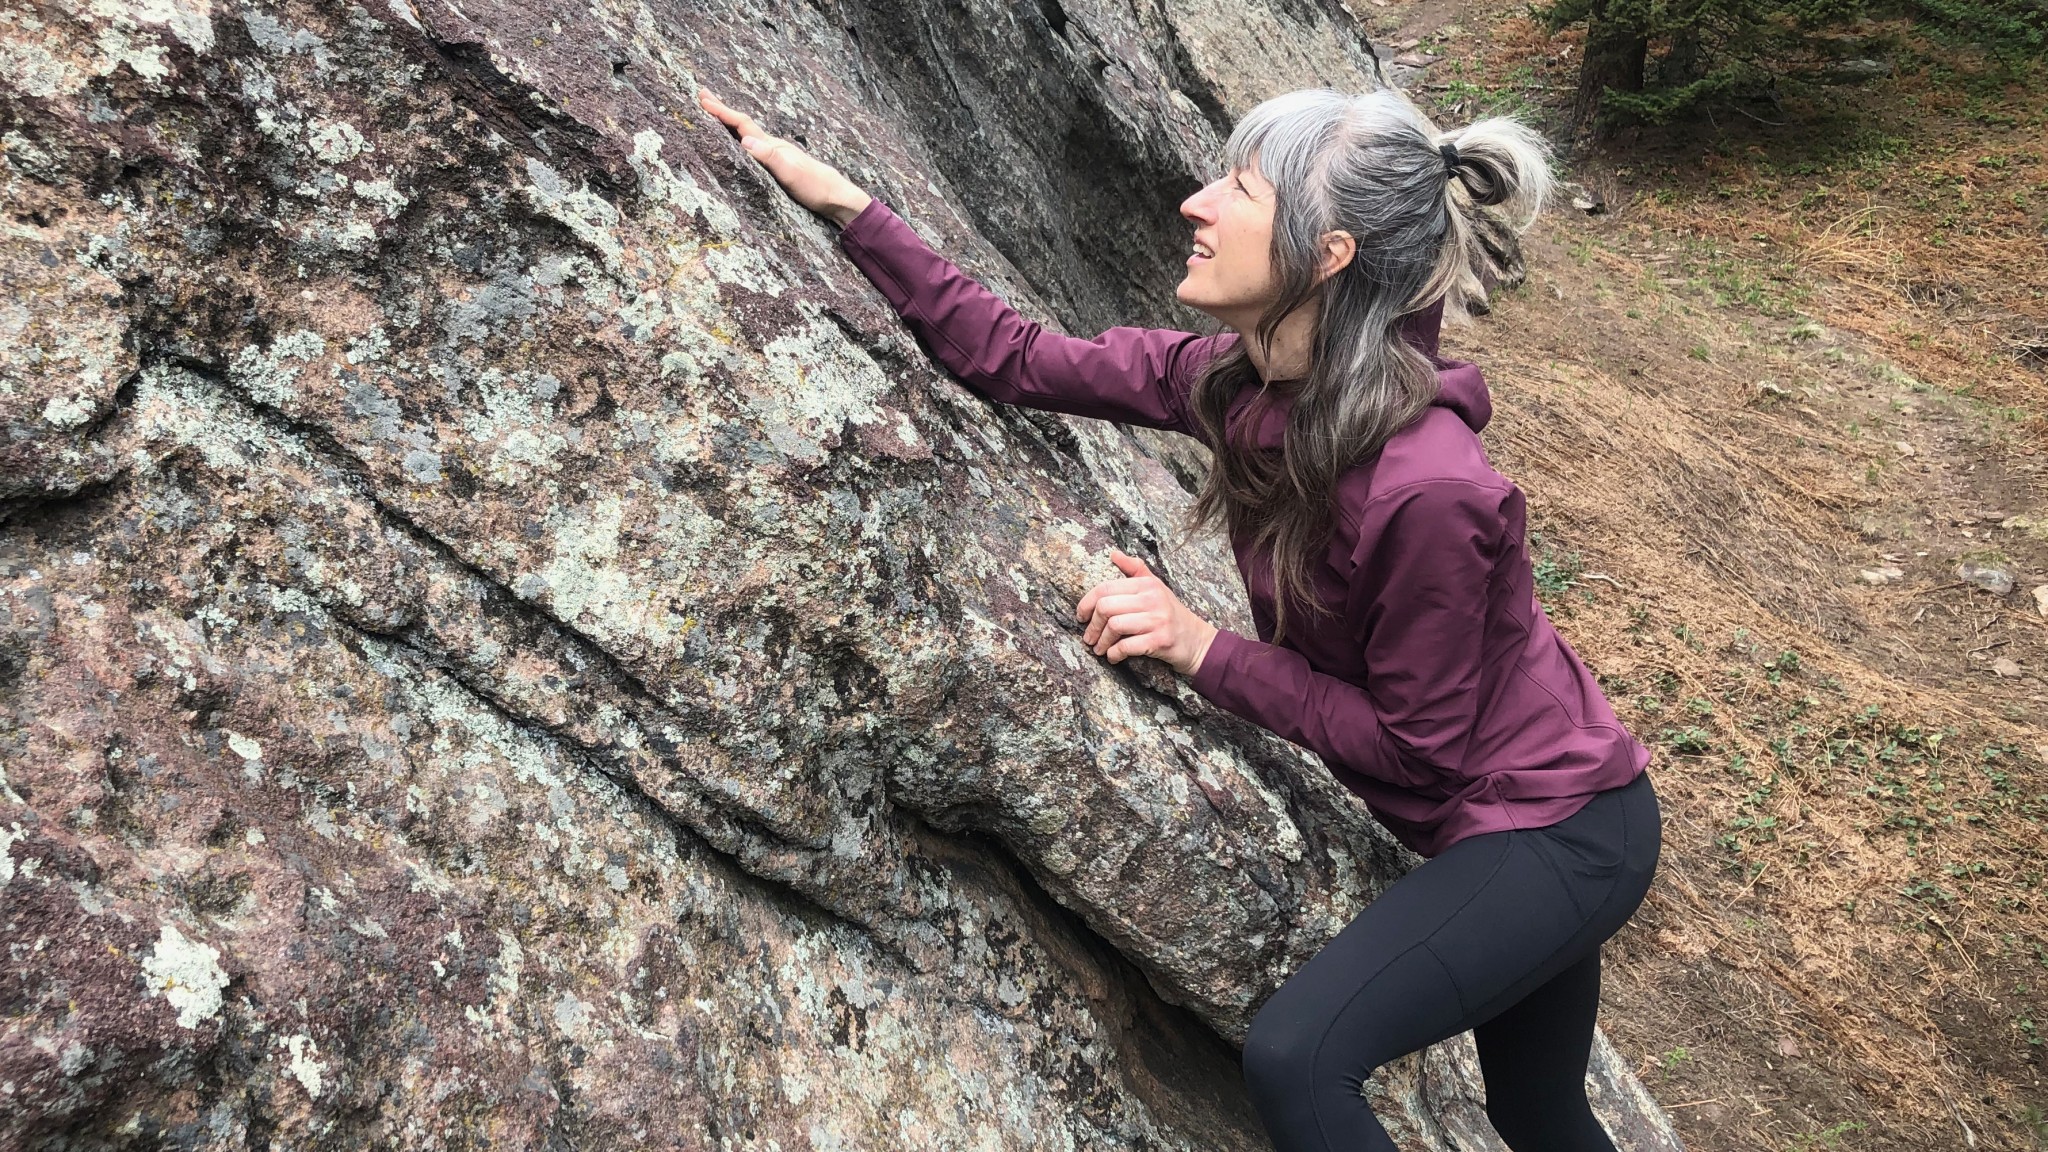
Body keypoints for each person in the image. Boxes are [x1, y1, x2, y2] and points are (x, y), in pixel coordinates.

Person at [697, 83, 1660, 1152]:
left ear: (1327, 255)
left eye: (1239, 189)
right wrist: (842, 201)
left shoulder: (1426, 489)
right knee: (1538, 1111)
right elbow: (1011, 356)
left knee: (1303, 1058)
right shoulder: (1243, 383)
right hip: (1519, 813)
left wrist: (1202, 649)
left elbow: (1415, 744)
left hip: (1557, 830)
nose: (1196, 202)